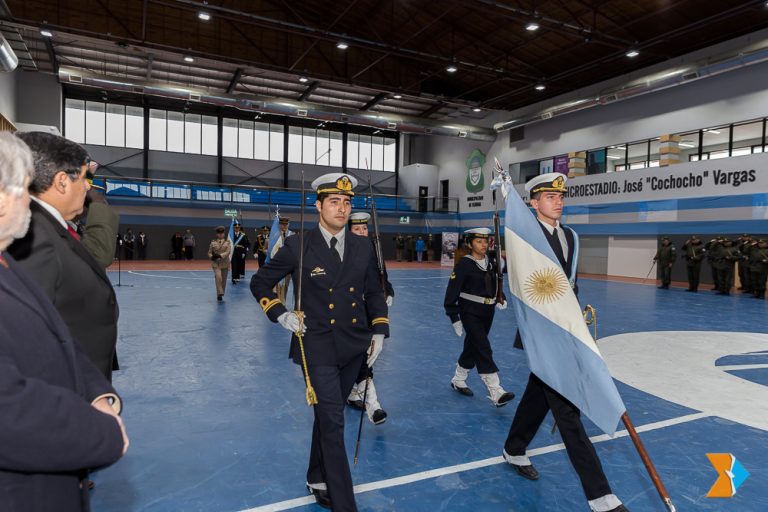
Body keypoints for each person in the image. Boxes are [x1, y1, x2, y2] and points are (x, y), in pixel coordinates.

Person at [0, 132, 129, 511]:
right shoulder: (35, 238)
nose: (30, 199)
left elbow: (50, 329)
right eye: (23, 188)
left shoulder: (10, 259)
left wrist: (96, 391)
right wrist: (99, 434)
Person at [250, 173, 389, 511]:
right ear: (318, 205)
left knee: (329, 417)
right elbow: (260, 282)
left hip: (354, 346)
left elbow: (374, 291)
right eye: (334, 202)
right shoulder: (298, 245)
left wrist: (379, 330)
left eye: (347, 202)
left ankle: (316, 476)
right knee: (333, 422)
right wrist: (280, 313)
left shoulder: (362, 246)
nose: (342, 209)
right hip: (316, 346)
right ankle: (345, 503)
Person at [503, 173, 628, 512]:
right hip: (542, 333)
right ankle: (601, 496)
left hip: (566, 331)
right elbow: (524, 285)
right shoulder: (523, 237)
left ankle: (514, 447)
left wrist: (576, 326)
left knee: (539, 394)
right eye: (549, 196)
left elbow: (569, 286)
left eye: (560, 196)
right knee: (567, 411)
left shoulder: (571, 236)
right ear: (533, 203)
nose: (558, 201)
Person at [8, 132, 120, 381]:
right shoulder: (33, 236)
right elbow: (27, 344)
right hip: (64, 383)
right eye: (84, 178)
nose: (88, 187)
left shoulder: (45, 224)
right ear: (61, 182)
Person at [444, 227, 514, 407]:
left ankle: (458, 379)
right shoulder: (464, 264)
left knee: (473, 346)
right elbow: (451, 292)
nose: (483, 245)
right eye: (478, 241)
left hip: (487, 311)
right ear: (470, 244)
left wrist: (501, 297)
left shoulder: (491, 261)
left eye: (485, 241)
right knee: (483, 346)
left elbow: (496, 283)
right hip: (469, 311)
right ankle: (496, 391)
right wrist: (454, 317)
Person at [345, 212, 393, 425]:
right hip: (348, 311)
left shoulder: (373, 249)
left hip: (369, 309)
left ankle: (362, 398)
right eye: (357, 229)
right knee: (357, 355)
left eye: (365, 228)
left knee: (364, 354)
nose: (362, 232)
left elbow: (380, 274)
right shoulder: (342, 250)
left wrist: (388, 291)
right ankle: (372, 404)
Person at [208, 226, 232, 301]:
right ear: (217, 234)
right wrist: (212, 257)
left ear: (224, 234)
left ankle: (221, 294)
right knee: (218, 277)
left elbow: (228, 252)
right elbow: (209, 252)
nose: (221, 234)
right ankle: (220, 292)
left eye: (222, 233)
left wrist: (220, 256)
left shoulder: (228, 242)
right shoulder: (213, 243)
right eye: (219, 233)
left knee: (223, 280)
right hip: (216, 263)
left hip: (225, 263)